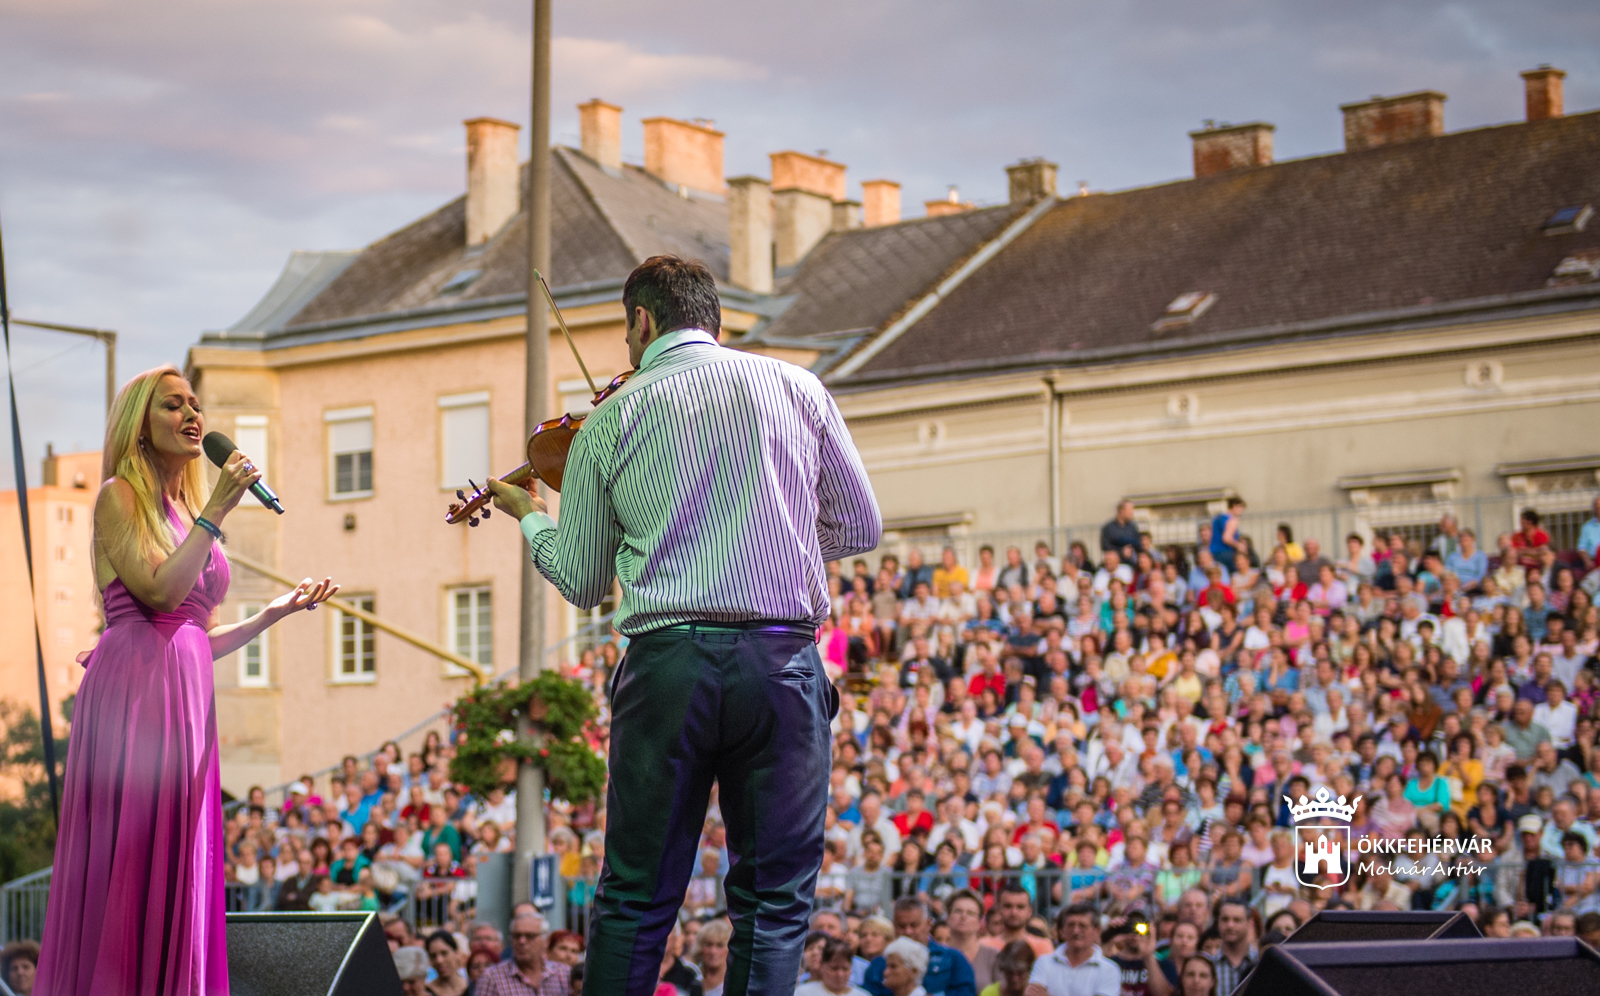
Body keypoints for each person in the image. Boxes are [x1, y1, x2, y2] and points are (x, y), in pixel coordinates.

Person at [487, 255, 881, 995]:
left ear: (642, 320)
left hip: (668, 665)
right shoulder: (796, 386)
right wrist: (768, 535)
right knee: (773, 904)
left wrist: (531, 517)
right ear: (714, 318)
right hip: (780, 661)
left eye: (626, 331)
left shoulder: (613, 417)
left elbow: (581, 579)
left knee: (635, 897)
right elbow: (860, 524)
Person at [33, 365, 338, 996]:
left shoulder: (186, 511)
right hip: (133, 697)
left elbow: (193, 636)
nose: (192, 414)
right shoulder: (120, 495)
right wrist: (221, 507)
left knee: (181, 860)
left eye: (195, 403)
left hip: (185, 698)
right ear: (140, 426)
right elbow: (156, 592)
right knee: (132, 857)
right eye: (173, 405)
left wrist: (271, 614)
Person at [863, 898, 977, 996]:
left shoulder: (953, 959)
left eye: (914, 925)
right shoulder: (879, 964)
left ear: (928, 924)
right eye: (901, 926)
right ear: (893, 926)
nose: (908, 931)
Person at [1025, 903, 1120, 996]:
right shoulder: (1044, 962)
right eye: (1071, 925)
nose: (1076, 931)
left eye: (1082, 926)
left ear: (1097, 931)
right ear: (1061, 931)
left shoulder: (1109, 970)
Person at [474, 912, 573, 996]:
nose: (522, 941)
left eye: (530, 936)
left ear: (546, 941)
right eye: (516, 936)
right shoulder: (492, 978)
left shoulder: (564, 974)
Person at [798, 937, 872, 996]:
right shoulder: (803, 993)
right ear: (822, 966)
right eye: (834, 968)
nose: (840, 974)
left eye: (845, 969)